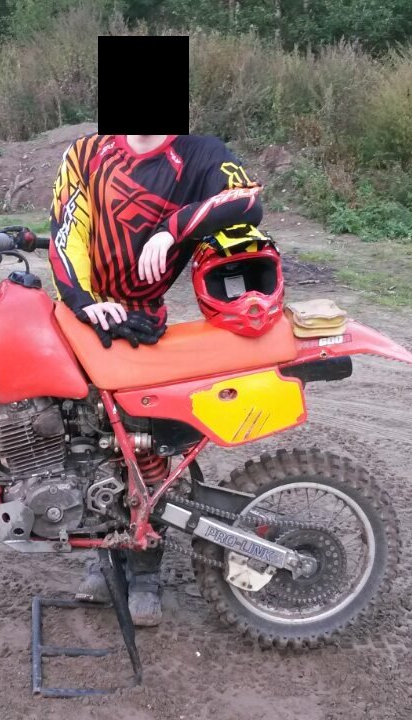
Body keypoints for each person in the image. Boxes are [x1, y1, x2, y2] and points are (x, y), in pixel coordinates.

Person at [47, 133, 264, 626]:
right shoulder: (86, 152)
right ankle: (103, 556)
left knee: (144, 446)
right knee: (89, 441)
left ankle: (146, 569)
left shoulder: (198, 154)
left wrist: (172, 229)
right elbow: (66, 229)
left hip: (145, 319)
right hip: (86, 317)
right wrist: (83, 302)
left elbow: (247, 200)